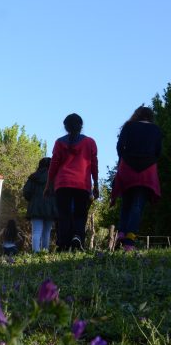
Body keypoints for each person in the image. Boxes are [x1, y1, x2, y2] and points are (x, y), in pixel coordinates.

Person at [111, 106, 162, 252]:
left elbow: (120, 147)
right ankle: (129, 240)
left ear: (137, 115)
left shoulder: (128, 126)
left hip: (127, 168)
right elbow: (158, 151)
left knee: (126, 202)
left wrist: (125, 158)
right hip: (147, 171)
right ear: (150, 116)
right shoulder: (156, 130)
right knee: (138, 205)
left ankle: (121, 231)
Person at [45, 113, 99, 251]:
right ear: (81, 126)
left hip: (62, 184)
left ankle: (63, 243)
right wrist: (96, 184)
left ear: (65, 127)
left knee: (64, 215)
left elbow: (54, 165)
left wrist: (48, 184)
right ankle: (77, 237)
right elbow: (94, 165)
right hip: (82, 184)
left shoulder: (59, 142)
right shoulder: (90, 142)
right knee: (80, 214)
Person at [23, 157, 58, 252]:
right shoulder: (55, 178)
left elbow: (26, 192)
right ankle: (45, 252)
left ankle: (36, 253)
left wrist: (32, 200)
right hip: (51, 208)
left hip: (36, 207)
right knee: (47, 232)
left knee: (36, 232)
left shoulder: (33, 177)